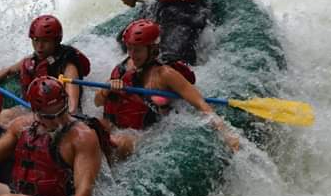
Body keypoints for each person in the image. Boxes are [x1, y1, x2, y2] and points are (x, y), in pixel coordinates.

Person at [94, 19, 239, 159]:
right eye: (129, 48)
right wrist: (106, 90)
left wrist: (225, 132)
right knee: (92, 128)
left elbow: (200, 103)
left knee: (119, 142)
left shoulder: (165, 74)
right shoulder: (123, 69)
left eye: (137, 50)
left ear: (152, 50)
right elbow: (97, 102)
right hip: (114, 125)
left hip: (141, 134)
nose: (132, 54)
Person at [0, 14, 91, 125]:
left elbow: (72, 107)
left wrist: (63, 121)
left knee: (13, 121)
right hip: (37, 110)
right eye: (36, 40)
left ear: (56, 41)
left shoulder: (68, 67)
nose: (39, 46)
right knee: (5, 116)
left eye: (45, 41)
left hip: (58, 114)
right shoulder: (33, 60)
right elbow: (8, 71)